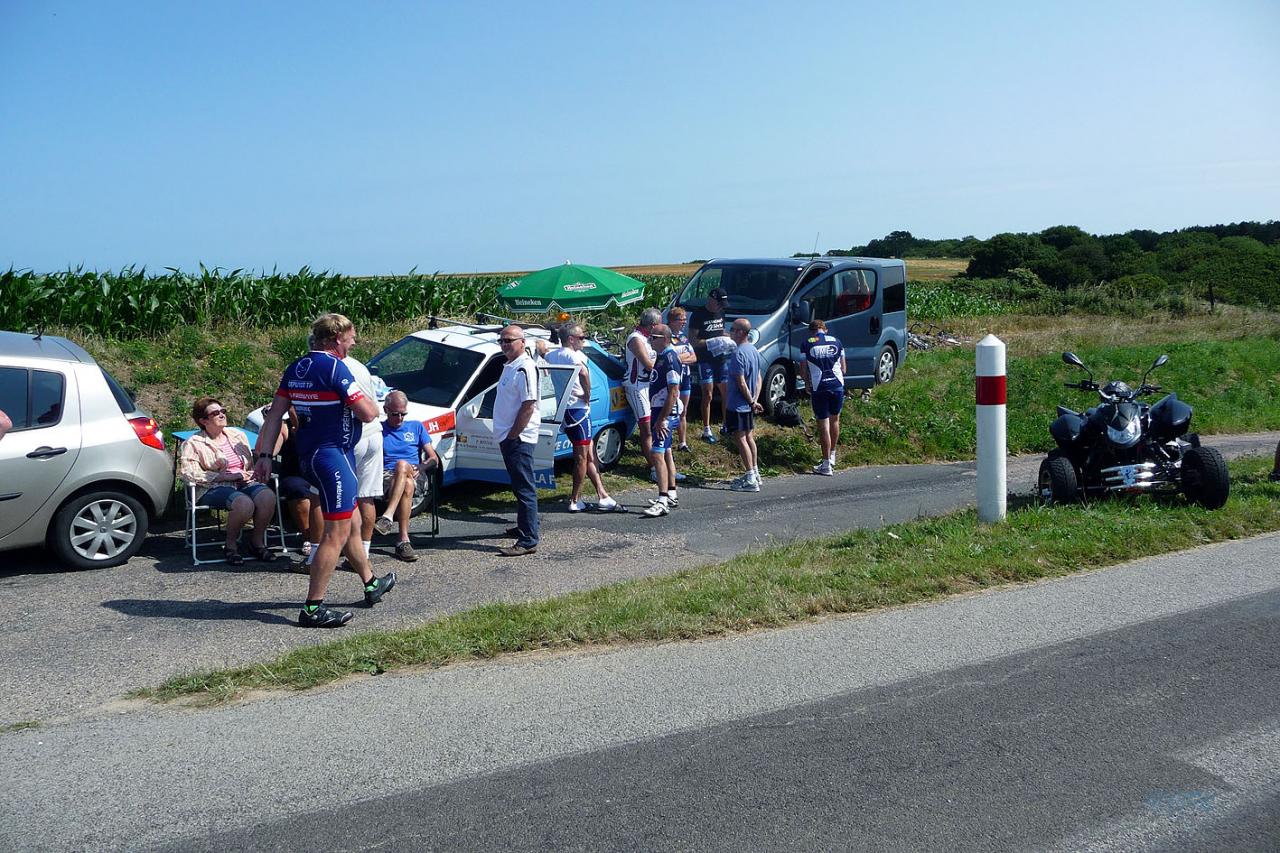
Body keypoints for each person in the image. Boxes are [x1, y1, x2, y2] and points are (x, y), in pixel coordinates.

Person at [253, 313, 396, 628]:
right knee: (336, 533)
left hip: (310, 457)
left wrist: (264, 454)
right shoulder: (335, 367)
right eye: (350, 338)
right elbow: (369, 412)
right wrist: (366, 404)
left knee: (353, 522)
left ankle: (371, 583)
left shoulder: (296, 367)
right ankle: (312, 608)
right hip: (334, 458)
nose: (354, 343)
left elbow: (275, 415)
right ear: (335, 340)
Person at [178, 397, 280, 566]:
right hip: (213, 486)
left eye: (223, 411)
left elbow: (249, 463)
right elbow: (188, 472)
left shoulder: (237, 435)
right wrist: (224, 476)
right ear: (203, 420)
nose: (221, 415)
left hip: (243, 483)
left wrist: (250, 473)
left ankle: (257, 542)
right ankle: (230, 545)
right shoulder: (194, 443)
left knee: (267, 497)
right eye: (215, 413)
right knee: (243, 503)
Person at [534, 324, 619, 513]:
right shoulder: (572, 356)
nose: (584, 340)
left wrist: (545, 341)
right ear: (571, 339)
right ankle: (575, 500)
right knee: (581, 457)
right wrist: (587, 395)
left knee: (589, 455)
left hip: (566, 409)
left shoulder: (553, 355)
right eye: (581, 337)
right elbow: (584, 373)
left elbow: (541, 348)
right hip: (578, 412)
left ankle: (602, 495)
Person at [373, 390, 441, 560]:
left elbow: (433, 458)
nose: (400, 418)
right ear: (386, 409)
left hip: (417, 472)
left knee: (403, 465)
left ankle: (388, 516)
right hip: (387, 476)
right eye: (395, 414)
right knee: (406, 481)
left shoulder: (416, 427)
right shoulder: (379, 430)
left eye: (403, 414)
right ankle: (403, 541)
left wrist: (421, 466)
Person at [494, 325, 541, 556]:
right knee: (518, 485)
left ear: (522, 342)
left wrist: (514, 434)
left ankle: (529, 539)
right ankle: (525, 527)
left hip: (518, 437)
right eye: (501, 341)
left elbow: (528, 405)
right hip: (507, 435)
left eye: (509, 340)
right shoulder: (510, 366)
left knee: (525, 487)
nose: (504, 345)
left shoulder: (524, 367)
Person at [343, 344, 385, 568]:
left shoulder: (333, 366)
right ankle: (363, 554)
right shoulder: (360, 366)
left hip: (353, 434)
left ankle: (314, 557)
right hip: (374, 433)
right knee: (367, 495)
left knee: (319, 497)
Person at [643, 324, 683, 517]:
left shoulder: (670, 358)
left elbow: (674, 391)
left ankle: (662, 499)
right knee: (666, 452)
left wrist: (662, 419)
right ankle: (671, 492)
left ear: (665, 338)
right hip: (659, 408)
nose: (650, 340)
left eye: (654, 337)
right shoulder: (661, 356)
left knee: (657, 453)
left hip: (665, 412)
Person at [801, 319, 848, 476]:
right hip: (837, 385)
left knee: (823, 424)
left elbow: (803, 369)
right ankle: (833, 454)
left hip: (819, 387)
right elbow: (844, 368)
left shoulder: (807, 343)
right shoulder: (838, 341)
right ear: (825, 330)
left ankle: (826, 464)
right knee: (835, 420)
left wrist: (807, 383)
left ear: (812, 331)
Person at [726, 318, 764, 492]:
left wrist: (750, 401)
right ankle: (755, 472)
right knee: (749, 437)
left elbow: (741, 382)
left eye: (733, 329)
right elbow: (758, 378)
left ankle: (750, 477)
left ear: (741, 332)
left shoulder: (738, 353)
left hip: (738, 404)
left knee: (741, 438)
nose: (731, 332)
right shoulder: (753, 350)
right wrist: (754, 399)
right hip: (748, 404)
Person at [690, 287, 731, 442]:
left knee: (726, 391)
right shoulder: (698, 315)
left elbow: (722, 331)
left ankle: (726, 425)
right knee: (708, 393)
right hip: (704, 359)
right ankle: (706, 429)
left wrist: (727, 339)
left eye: (722, 305)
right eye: (719, 303)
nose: (721, 307)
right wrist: (711, 342)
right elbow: (693, 340)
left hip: (720, 358)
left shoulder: (722, 313)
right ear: (711, 299)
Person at [624, 308, 661, 470]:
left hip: (649, 386)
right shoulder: (636, 338)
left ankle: (660, 463)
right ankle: (653, 467)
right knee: (646, 429)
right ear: (652, 325)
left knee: (656, 425)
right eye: (659, 324)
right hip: (637, 386)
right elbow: (649, 364)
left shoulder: (649, 338)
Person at [668, 307, 695, 452]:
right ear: (672, 321)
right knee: (673, 410)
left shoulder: (684, 338)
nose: (684, 322)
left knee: (683, 410)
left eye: (685, 319)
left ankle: (682, 442)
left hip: (686, 377)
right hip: (674, 379)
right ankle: (668, 440)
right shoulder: (667, 337)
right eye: (681, 319)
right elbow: (672, 359)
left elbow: (694, 357)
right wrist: (684, 358)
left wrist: (682, 359)